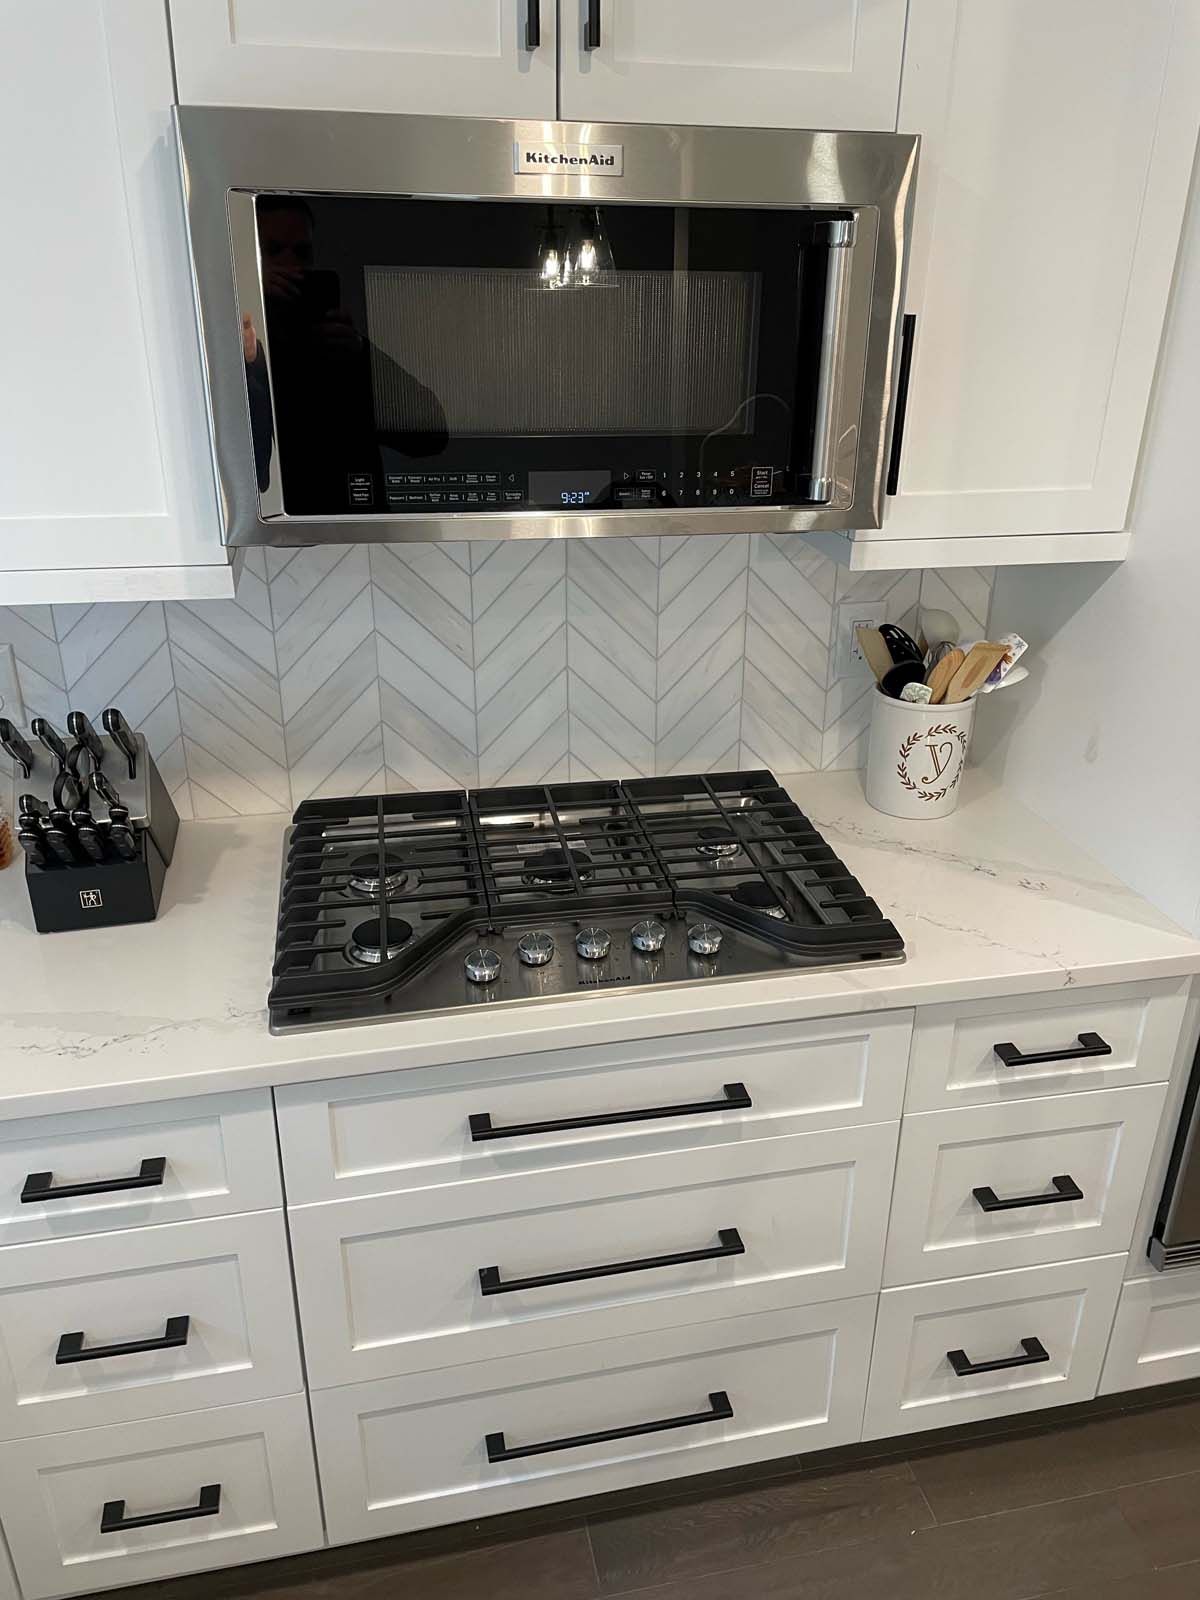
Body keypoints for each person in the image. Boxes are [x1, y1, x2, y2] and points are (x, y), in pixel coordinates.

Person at [242, 196, 447, 507]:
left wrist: (361, 353)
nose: (290, 265)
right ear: (251, 260)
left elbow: (431, 435)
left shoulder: (341, 348)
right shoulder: (242, 348)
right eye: (271, 251)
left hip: (362, 527)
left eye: (302, 252)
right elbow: (251, 468)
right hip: (281, 523)